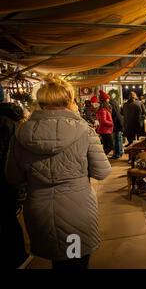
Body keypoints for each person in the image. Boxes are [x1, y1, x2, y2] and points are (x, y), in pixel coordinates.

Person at [5, 75, 111, 269]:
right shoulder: (84, 130)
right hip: (76, 210)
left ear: (41, 101)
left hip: (39, 210)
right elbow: (102, 171)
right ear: (69, 100)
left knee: (59, 262)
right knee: (75, 260)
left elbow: (12, 177)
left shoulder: (20, 133)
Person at [0, 84, 29, 268]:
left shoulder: (5, 123)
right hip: (13, 181)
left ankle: (16, 257)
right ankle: (18, 256)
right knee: (8, 219)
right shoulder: (17, 123)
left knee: (6, 220)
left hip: (7, 181)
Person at [96, 90, 114, 156]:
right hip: (105, 130)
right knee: (110, 146)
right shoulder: (103, 110)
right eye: (108, 99)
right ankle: (101, 157)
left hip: (105, 130)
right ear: (105, 100)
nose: (109, 100)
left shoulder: (104, 109)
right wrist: (111, 123)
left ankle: (102, 159)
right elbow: (103, 121)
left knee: (106, 146)